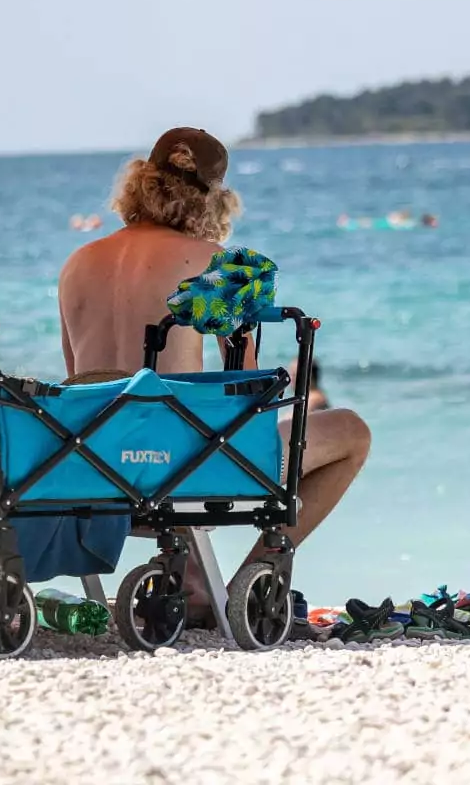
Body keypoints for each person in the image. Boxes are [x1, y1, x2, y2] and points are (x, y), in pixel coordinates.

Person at [57, 127, 370, 621]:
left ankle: (196, 581)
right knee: (351, 432)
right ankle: (257, 577)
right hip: (182, 471)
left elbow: (78, 378)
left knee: (158, 418)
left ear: (140, 183)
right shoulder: (216, 265)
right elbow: (246, 395)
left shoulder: (77, 263)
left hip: (95, 464)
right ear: (214, 199)